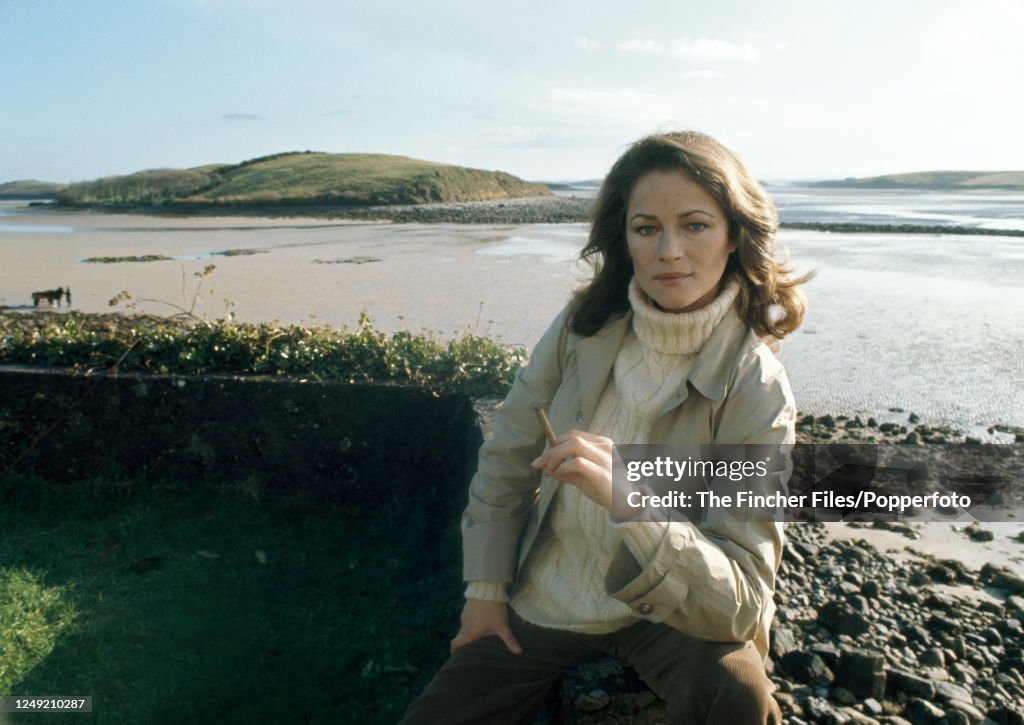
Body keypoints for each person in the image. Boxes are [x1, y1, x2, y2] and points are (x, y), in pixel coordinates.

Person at [401, 130, 811, 724]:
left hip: (671, 612)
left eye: (695, 225)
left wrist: (634, 500)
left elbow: (743, 602)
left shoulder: (758, 386)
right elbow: (508, 456)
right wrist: (486, 592)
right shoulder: (582, 327)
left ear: (734, 236)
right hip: (546, 597)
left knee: (742, 698)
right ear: (625, 239)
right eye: (646, 228)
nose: (669, 250)